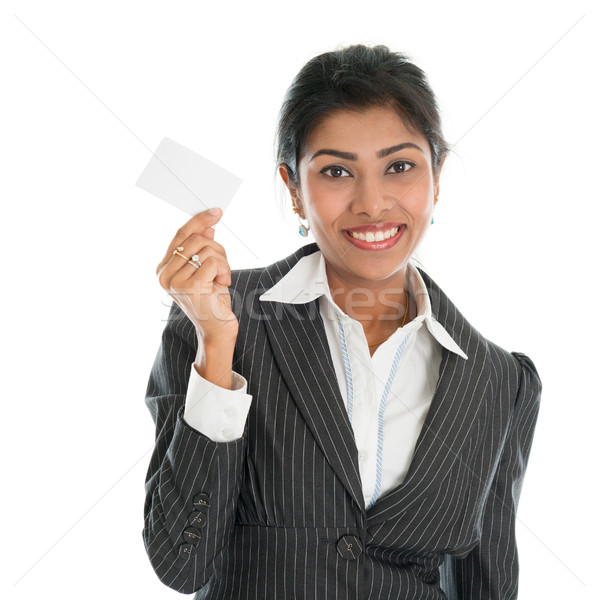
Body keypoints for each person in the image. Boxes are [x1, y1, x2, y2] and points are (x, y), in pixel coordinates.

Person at [143, 44, 542, 599]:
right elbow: (178, 562)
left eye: (399, 166)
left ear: (437, 175)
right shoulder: (217, 317)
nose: (372, 203)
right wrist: (216, 349)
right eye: (336, 171)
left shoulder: (501, 381)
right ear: (294, 189)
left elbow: (486, 586)